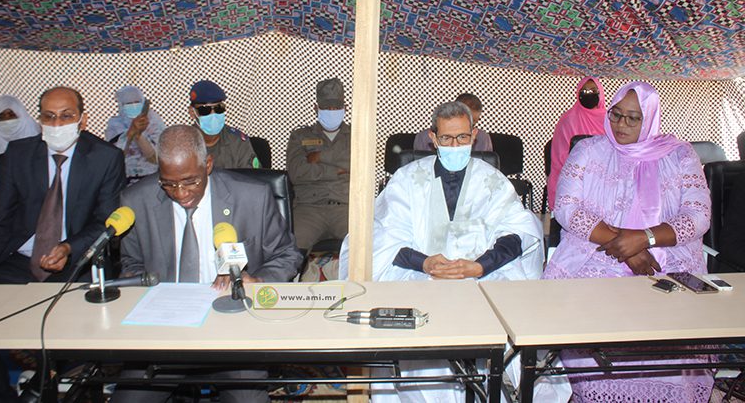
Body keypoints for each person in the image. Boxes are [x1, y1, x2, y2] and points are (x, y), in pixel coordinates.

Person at [340, 101, 548, 403]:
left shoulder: (491, 180)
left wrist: (481, 266)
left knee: (506, 329)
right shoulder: (408, 179)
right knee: (418, 339)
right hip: (421, 276)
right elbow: (381, 236)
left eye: (462, 137)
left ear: (474, 136)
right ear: (433, 138)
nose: (455, 145)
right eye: (447, 138)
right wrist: (424, 262)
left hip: (482, 277)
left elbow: (520, 233)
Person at [543, 81, 713, 401]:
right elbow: (566, 208)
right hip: (597, 256)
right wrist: (628, 249)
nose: (621, 124)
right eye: (616, 114)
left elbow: (698, 215)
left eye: (633, 118)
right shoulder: (589, 150)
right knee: (588, 318)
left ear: (650, 118)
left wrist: (645, 238)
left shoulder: (680, 154)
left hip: (665, 261)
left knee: (675, 324)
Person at [115, 125, 303, 403]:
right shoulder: (136, 200)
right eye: (169, 183)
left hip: (233, 331)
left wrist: (257, 280)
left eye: (190, 181)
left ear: (208, 165)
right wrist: (146, 288)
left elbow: (287, 254)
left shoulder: (252, 196)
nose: (180, 193)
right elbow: (131, 262)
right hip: (162, 332)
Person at [0, 86, 126, 285]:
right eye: (49, 116)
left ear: (83, 120)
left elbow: (105, 220)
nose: (57, 124)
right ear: (40, 121)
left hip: (77, 259)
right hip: (18, 259)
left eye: (66, 116)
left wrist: (68, 248)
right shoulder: (17, 156)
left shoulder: (105, 158)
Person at [286, 77, 350, 251]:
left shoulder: (356, 135)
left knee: (365, 247)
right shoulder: (300, 136)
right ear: (316, 108)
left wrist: (320, 156)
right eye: (326, 107)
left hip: (345, 208)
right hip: (309, 208)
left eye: (336, 107)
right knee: (289, 250)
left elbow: (359, 166)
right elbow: (297, 172)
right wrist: (337, 171)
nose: (332, 111)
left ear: (345, 108)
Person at [546, 76, 605, 211]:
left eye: (593, 91)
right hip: (572, 178)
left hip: (602, 179)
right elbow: (561, 157)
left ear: (600, 93)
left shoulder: (610, 120)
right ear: (578, 94)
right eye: (584, 91)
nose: (589, 94)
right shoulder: (568, 120)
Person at [188, 80, 260, 169]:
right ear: (192, 112)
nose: (213, 114)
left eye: (219, 108)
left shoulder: (237, 142)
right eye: (205, 110)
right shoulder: (182, 145)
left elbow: (251, 176)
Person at [105, 85, 165, 184]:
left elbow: (157, 158)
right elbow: (114, 158)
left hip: (152, 180)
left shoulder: (154, 122)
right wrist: (130, 133)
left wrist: (139, 136)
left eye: (137, 102)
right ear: (121, 105)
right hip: (126, 182)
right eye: (128, 104)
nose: (133, 106)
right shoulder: (115, 125)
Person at [413, 93, 492, 152]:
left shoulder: (484, 139)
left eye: (472, 124)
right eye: (446, 138)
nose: (455, 145)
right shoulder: (423, 138)